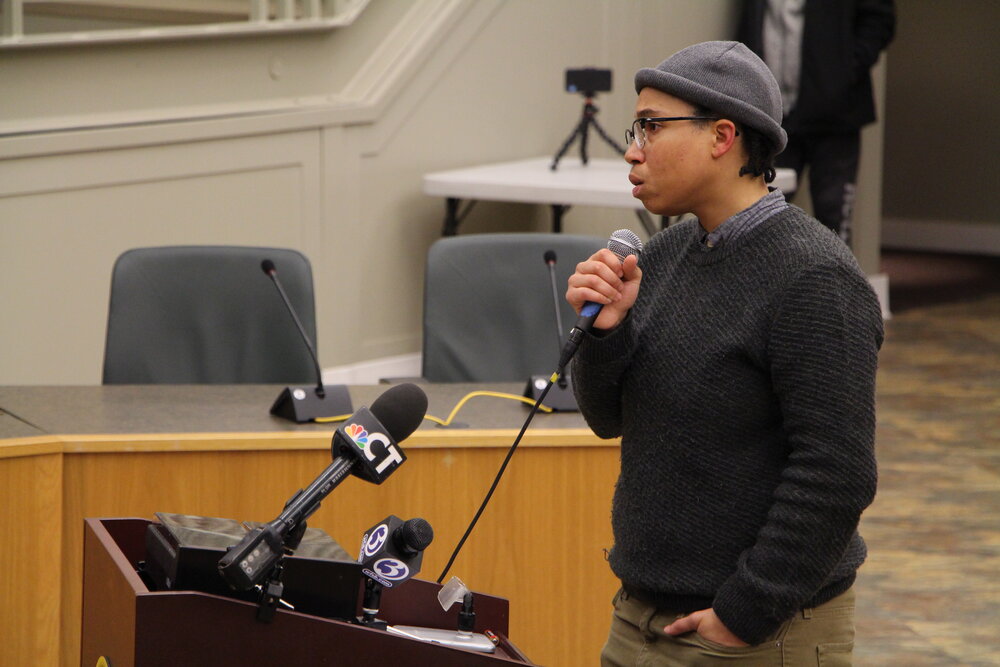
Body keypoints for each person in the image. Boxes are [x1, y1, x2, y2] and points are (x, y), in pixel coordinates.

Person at [565, 41, 884, 665]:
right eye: (636, 128)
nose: (632, 148)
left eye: (651, 127)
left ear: (722, 137)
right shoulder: (661, 256)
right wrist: (606, 333)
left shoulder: (814, 277)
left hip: (755, 632)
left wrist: (745, 614)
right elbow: (609, 420)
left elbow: (837, 472)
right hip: (637, 615)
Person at [737, 0, 896, 246]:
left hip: (835, 116)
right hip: (771, 116)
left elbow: (879, 20)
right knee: (760, 220)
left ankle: (836, 285)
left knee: (833, 220)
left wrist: (844, 70)